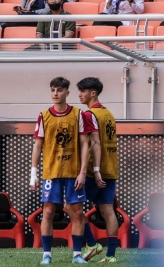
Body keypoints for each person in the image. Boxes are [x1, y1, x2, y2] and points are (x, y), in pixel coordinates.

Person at [30, 76, 90, 265]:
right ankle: (46, 254)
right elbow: (37, 146)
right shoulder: (44, 115)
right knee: (48, 212)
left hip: (73, 173)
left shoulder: (78, 114)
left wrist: (82, 172)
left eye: (59, 90)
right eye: (53, 90)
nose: (56, 94)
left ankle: (77, 255)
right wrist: (33, 173)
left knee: (77, 212)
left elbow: (84, 145)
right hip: (51, 172)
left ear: (67, 93)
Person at [76, 77, 119, 264]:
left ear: (93, 93)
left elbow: (94, 144)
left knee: (71, 206)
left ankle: (92, 243)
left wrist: (86, 170)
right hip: (111, 168)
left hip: (95, 171)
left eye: (83, 91)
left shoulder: (88, 115)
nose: (80, 94)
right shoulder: (109, 114)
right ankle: (111, 256)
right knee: (108, 211)